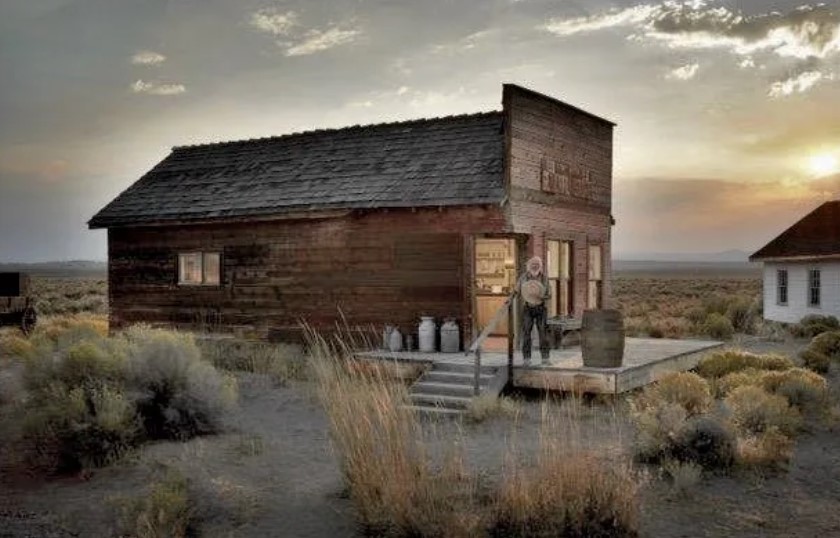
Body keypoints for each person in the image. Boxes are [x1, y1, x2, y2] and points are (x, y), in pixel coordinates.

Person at [516, 256, 551, 366]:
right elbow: (516, 290)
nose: (535, 266)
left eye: (537, 264)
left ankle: (545, 358)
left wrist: (540, 296)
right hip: (527, 308)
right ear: (529, 265)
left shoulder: (544, 278)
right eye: (533, 264)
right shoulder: (523, 277)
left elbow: (549, 294)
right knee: (526, 333)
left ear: (540, 266)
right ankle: (526, 359)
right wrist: (510, 298)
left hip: (541, 308)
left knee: (543, 334)